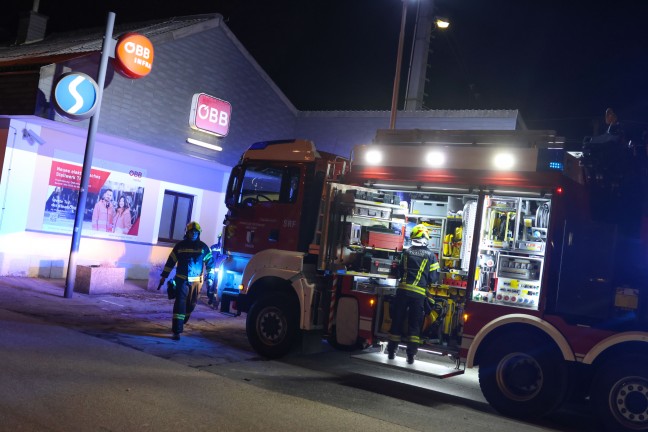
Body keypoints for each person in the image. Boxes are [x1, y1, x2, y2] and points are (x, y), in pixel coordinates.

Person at [387, 224, 439, 364]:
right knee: (414, 325)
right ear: (425, 238)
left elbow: (398, 272)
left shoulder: (406, 252)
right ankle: (410, 356)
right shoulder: (431, 255)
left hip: (402, 292)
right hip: (418, 295)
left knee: (397, 321)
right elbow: (433, 278)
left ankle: (391, 352)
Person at [157, 221, 215, 340]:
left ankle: (183, 320)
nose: (193, 234)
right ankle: (176, 331)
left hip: (196, 283)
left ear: (199, 233)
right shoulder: (180, 246)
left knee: (191, 305)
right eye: (191, 232)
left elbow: (210, 264)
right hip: (181, 281)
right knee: (180, 304)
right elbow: (170, 262)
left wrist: (210, 278)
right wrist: (164, 276)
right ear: (187, 233)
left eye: (195, 232)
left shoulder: (203, 247)